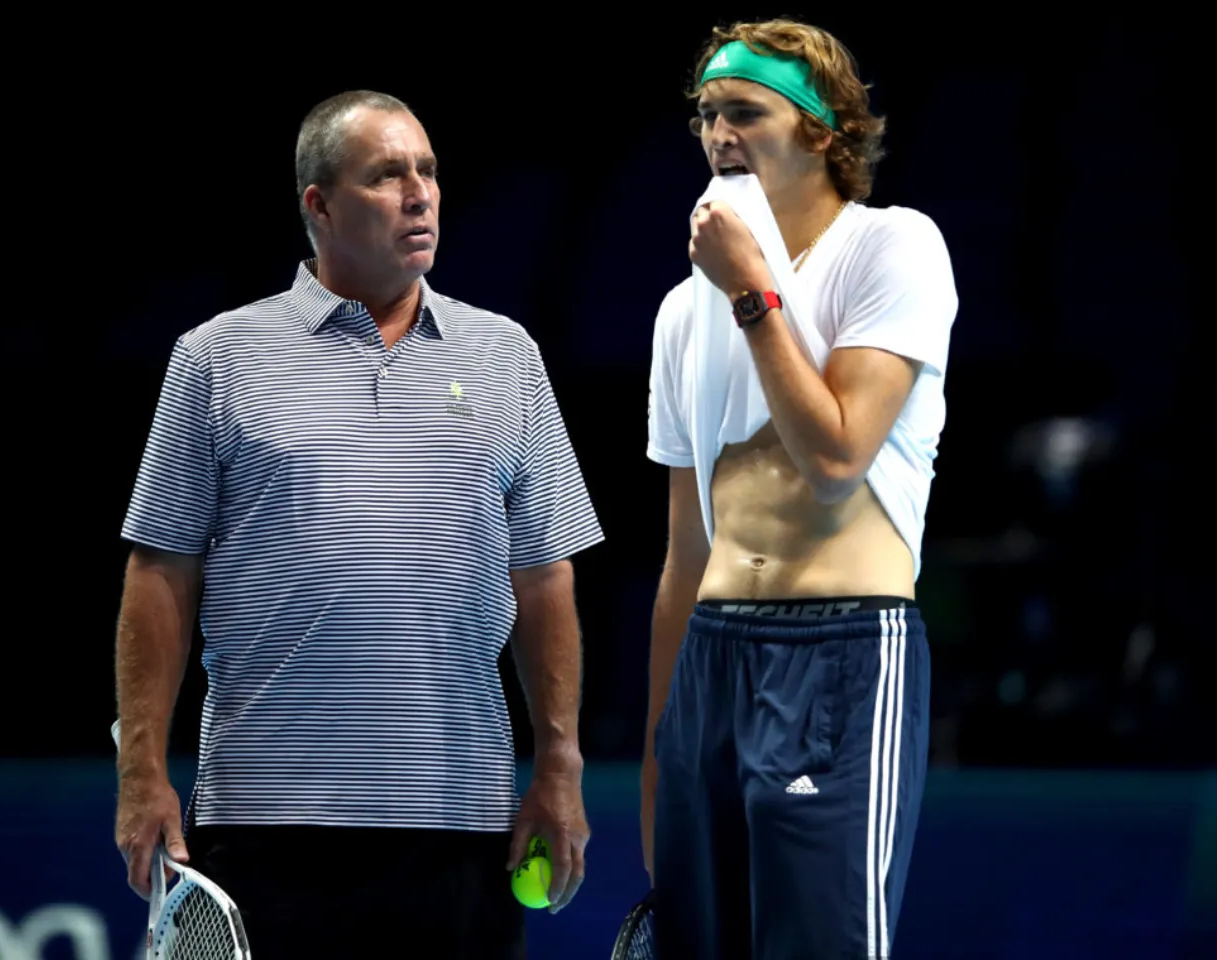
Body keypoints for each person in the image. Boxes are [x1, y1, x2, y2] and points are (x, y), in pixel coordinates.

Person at [112, 90, 604, 959]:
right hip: (266, 820)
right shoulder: (217, 355)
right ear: (320, 205)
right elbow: (160, 574)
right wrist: (140, 771)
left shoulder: (506, 356)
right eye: (387, 175)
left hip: (461, 818)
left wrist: (560, 765)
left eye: (428, 171)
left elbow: (544, 575)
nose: (420, 193)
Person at [641, 18, 958, 960]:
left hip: (843, 650)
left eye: (746, 112)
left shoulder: (895, 250)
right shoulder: (676, 312)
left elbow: (834, 459)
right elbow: (682, 559)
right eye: (706, 115)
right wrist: (662, 753)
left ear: (823, 132)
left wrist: (749, 291)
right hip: (712, 660)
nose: (718, 135)